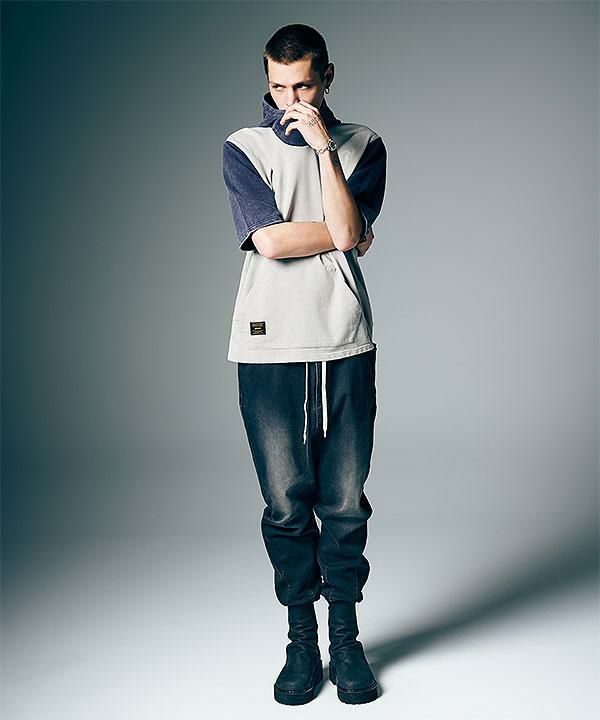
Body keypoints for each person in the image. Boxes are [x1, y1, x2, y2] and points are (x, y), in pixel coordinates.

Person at [222, 23, 387, 705]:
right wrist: (341, 233)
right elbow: (271, 241)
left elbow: (344, 230)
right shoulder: (244, 147)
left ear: (327, 78)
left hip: (344, 339)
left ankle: (345, 639)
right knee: (286, 504)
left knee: (344, 503)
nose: (290, 100)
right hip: (268, 346)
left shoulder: (362, 144)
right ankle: (301, 639)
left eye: (304, 86)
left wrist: (323, 151)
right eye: (278, 86)